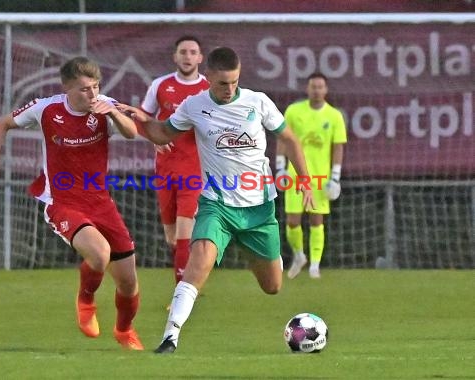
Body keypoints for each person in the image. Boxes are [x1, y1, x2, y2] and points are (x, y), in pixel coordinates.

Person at [119, 47, 315, 354]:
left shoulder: (258, 101)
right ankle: (170, 337)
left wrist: (304, 180)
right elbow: (162, 134)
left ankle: (250, 252)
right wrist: (139, 118)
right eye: (223, 83)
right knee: (197, 266)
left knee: (273, 286)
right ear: (208, 76)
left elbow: (289, 138)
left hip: (258, 210)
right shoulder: (193, 105)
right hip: (216, 205)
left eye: (234, 82)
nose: (229, 89)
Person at [0, 56, 144, 350]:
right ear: (66, 88)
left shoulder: (105, 106)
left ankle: (124, 331)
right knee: (100, 254)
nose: (92, 94)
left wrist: (114, 113)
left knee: (129, 283)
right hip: (63, 202)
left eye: (95, 87)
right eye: (84, 89)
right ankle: (86, 300)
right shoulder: (47, 109)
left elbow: (132, 133)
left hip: (101, 201)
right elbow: (2, 124)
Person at [140, 36, 209, 288]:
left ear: (200, 58)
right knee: (172, 236)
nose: (188, 56)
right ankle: (191, 276)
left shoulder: (210, 88)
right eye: (183, 52)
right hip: (165, 170)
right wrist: (153, 137)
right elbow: (141, 119)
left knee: (184, 232)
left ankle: (182, 291)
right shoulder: (160, 85)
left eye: (193, 52)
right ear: (175, 56)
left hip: (195, 170)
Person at [275, 72, 347, 279]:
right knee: (292, 221)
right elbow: (283, 139)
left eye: (320, 86)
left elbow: (338, 147)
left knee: (317, 220)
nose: (316, 90)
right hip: (296, 176)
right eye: (313, 86)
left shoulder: (334, 116)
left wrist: (335, 176)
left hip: (320, 178)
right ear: (307, 89)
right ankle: (299, 255)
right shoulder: (293, 111)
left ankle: (315, 265)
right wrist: (280, 167)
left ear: (326, 89)